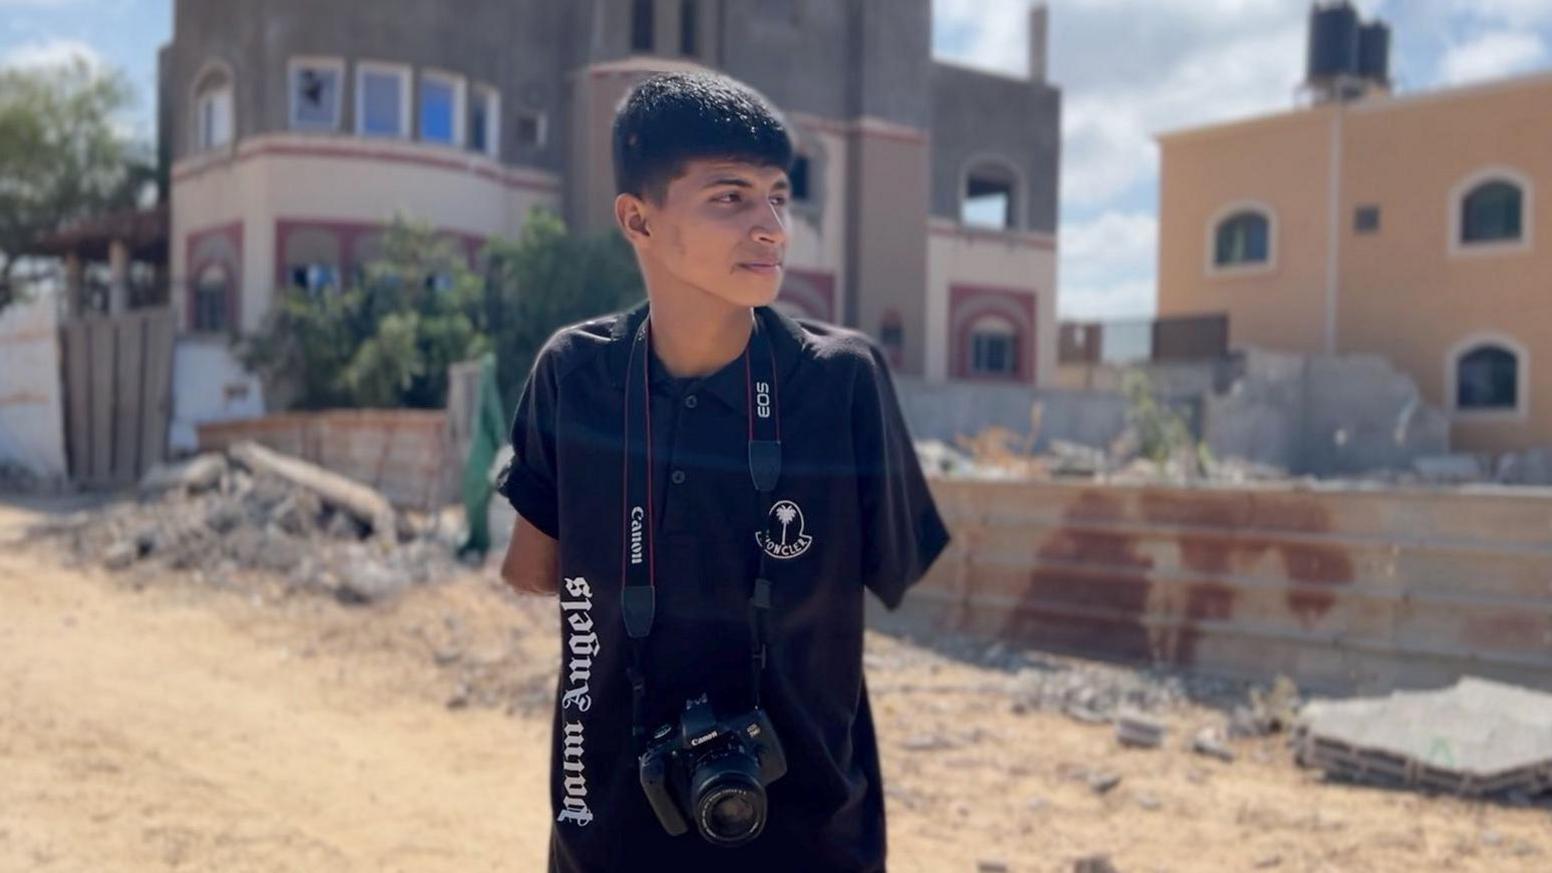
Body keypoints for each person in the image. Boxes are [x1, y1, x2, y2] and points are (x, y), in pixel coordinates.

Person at [496, 70, 951, 873]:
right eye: (731, 197)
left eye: (779, 195)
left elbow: (898, 568)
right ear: (638, 217)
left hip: (807, 835)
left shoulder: (844, 380)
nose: (772, 225)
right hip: (610, 826)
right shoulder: (573, 372)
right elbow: (532, 568)